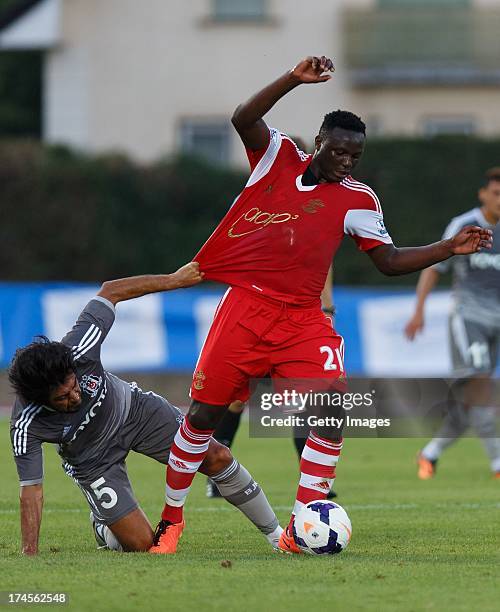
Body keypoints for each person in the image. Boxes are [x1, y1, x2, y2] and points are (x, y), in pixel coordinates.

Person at [153, 55, 493, 554]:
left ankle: (301, 524)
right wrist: (292, 79)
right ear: (320, 142)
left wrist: (446, 248)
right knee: (203, 417)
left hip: (304, 318)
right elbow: (242, 119)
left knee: (332, 406)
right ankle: (171, 521)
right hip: (245, 308)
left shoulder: (359, 199)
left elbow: (389, 260)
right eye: (339, 151)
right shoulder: (276, 157)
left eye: (355, 156)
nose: (347, 162)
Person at [9, 263, 282, 555]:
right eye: (62, 398)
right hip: (91, 459)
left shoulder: (78, 348)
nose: (74, 397)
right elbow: (31, 489)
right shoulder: (26, 425)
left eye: (74, 386)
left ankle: (278, 537)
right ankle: (103, 525)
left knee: (217, 456)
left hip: (136, 412)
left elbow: (110, 291)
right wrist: (30, 553)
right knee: (140, 545)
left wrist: (173, 280)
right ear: (39, 398)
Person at [206, 265, 337, 499]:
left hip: (296, 321)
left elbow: (324, 263)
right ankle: (216, 474)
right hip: (255, 315)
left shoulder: (314, 234)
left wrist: (326, 307)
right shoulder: (265, 229)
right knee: (236, 400)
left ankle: (312, 481)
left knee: (302, 399)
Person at [405, 167, 500, 479]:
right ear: (483, 194)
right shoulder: (465, 225)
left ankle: (429, 453)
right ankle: (498, 463)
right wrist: (419, 310)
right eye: (496, 193)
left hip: (496, 323)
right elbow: (434, 268)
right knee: (481, 389)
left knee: (469, 402)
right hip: (468, 319)